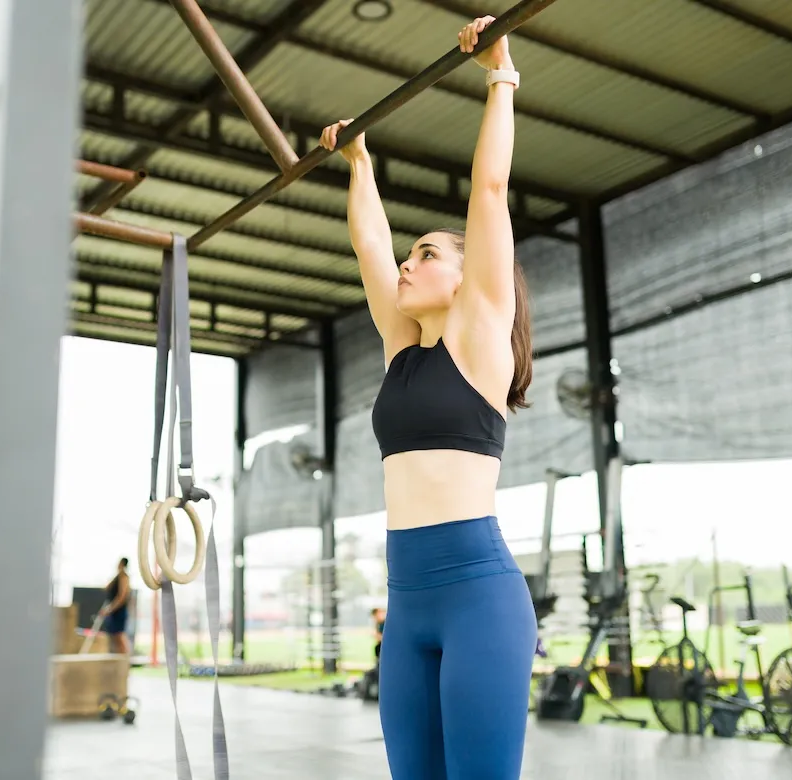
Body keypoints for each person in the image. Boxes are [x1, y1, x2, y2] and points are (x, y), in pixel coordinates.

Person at [320, 15, 536, 780]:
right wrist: (359, 164)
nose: (409, 265)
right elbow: (370, 247)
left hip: (480, 599)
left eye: (428, 254)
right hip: (406, 605)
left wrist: (500, 75)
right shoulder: (402, 352)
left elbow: (489, 186)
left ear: (466, 273)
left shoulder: (479, 338)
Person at [99, 557, 131, 655]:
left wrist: (109, 609)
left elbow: (121, 597)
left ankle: (126, 660)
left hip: (119, 611)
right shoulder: (117, 577)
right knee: (115, 638)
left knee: (119, 636)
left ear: (122, 564)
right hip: (114, 611)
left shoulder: (124, 577)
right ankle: (120, 660)